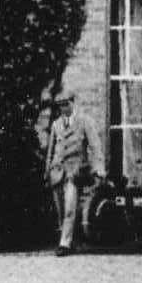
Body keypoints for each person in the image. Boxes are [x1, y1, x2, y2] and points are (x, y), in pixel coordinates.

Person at [44, 91, 92, 256]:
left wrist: (97, 168)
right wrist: (47, 170)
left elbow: (95, 147)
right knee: (61, 210)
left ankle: (64, 244)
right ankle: (70, 241)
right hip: (57, 171)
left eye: (66, 104)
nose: (64, 108)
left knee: (70, 207)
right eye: (61, 105)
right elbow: (50, 150)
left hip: (74, 171)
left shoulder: (84, 122)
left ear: (73, 103)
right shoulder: (56, 125)